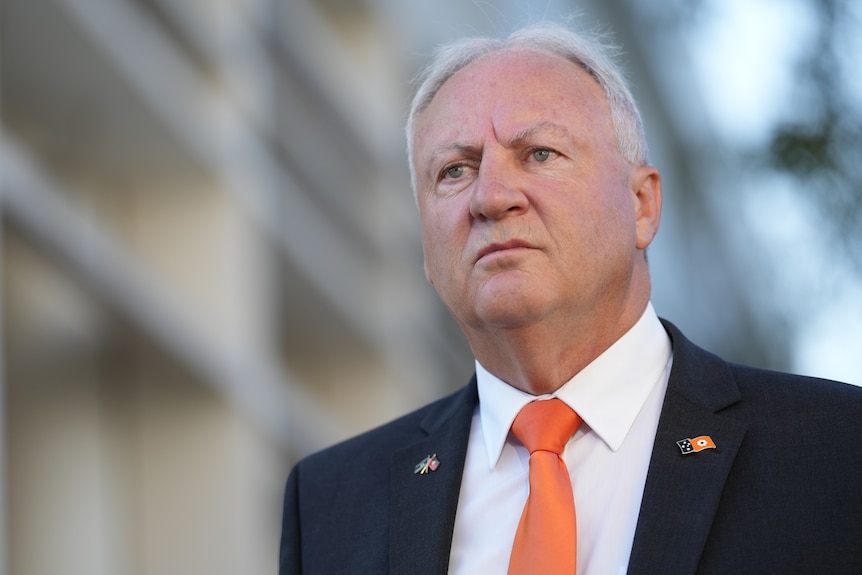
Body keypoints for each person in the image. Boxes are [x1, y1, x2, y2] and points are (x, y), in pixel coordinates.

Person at [279, 22, 862, 575]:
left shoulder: (835, 449)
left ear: (641, 205)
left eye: (539, 154)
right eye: (455, 170)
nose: (491, 196)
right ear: (426, 248)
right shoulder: (330, 502)